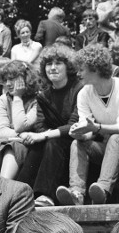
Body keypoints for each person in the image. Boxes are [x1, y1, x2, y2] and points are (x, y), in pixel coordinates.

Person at [58, 44, 119, 205]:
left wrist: (96, 128)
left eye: (81, 69)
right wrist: (80, 132)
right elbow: (88, 129)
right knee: (78, 143)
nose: (78, 73)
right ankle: (76, 193)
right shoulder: (84, 93)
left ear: (95, 68)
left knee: (116, 138)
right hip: (108, 148)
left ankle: (102, 190)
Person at [16, 44, 81, 207]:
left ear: (68, 67)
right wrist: (38, 136)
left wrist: (44, 135)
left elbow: (74, 125)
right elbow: (40, 125)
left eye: (58, 63)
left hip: (76, 141)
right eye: (49, 64)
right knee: (37, 145)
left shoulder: (79, 89)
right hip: (52, 143)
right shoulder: (44, 95)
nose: (52, 68)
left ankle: (45, 195)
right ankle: (20, 194)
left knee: (50, 142)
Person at [0, 60, 39, 180]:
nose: (8, 84)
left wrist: (18, 97)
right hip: (12, 139)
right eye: (6, 80)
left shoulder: (37, 99)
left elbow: (21, 125)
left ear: (26, 78)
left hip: (27, 144)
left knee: (12, 147)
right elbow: (1, 130)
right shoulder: (4, 99)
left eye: (12, 79)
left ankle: (3, 188)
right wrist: (21, 135)